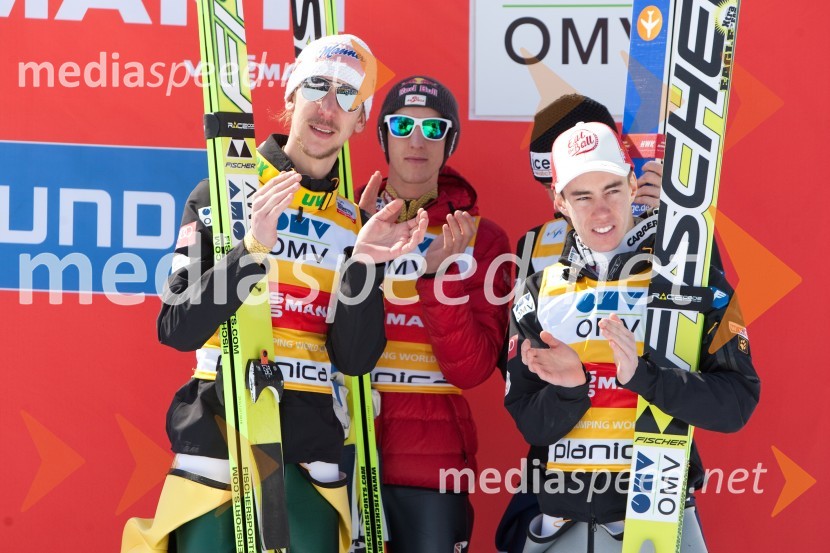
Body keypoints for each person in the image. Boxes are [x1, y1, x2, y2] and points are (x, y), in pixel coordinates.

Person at [121, 34, 428, 553]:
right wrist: (250, 252)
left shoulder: (354, 224)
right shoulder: (220, 193)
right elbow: (176, 327)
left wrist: (363, 268)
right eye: (317, 86)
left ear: (358, 122)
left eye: (348, 97)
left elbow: (353, 360)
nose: (329, 107)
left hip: (311, 455)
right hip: (219, 449)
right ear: (290, 97)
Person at [503, 121, 760, 552]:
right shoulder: (537, 294)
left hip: (656, 525)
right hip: (559, 528)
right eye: (582, 197)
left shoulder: (687, 280)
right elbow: (530, 422)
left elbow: (737, 402)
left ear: (633, 183)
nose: (601, 212)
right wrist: (572, 388)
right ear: (560, 202)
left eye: (612, 190)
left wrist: (643, 377)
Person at [497, 94, 664, 553]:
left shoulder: (663, 232)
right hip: (561, 460)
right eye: (572, 189)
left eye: (608, 186)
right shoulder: (535, 245)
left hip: (647, 474)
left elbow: (699, 339)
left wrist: (664, 228)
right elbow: (518, 369)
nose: (595, 207)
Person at [355, 76, 511, 552]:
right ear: (382, 137)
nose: (417, 140)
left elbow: (472, 369)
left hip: (432, 462)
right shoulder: (343, 219)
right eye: (402, 125)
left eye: (434, 127)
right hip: (342, 450)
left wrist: (437, 278)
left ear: (451, 140)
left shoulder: (482, 239)